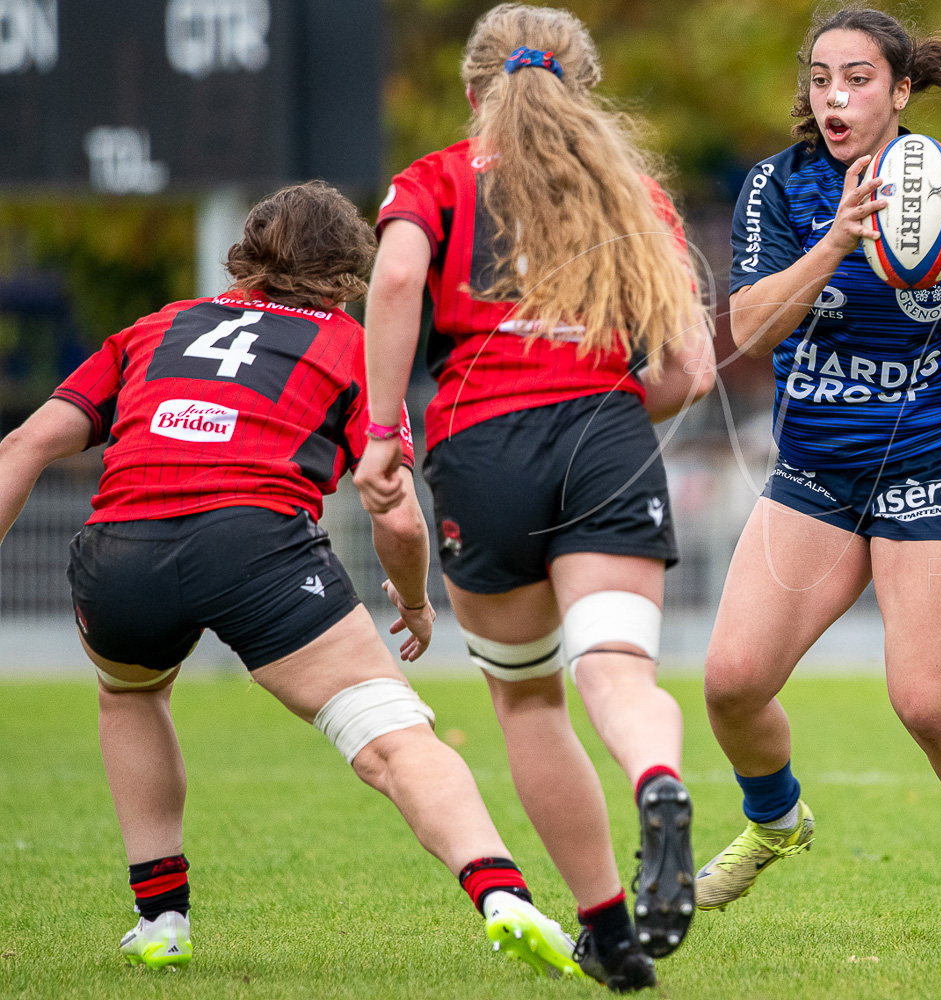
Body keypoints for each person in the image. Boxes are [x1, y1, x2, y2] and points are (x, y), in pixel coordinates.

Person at [0, 183, 581, 977]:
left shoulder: (155, 327)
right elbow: (397, 512)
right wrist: (412, 602)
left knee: (131, 694)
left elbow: (25, 445)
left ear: (246, 253)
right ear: (347, 270)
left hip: (119, 550)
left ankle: (162, 917)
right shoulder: (351, 346)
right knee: (392, 737)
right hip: (254, 547)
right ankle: (502, 894)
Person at [358, 3, 716, 991]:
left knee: (524, 697)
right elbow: (688, 369)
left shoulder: (433, 179)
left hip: (480, 444)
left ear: (476, 96)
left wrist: (380, 431)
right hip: (604, 431)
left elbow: (393, 285)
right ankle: (658, 780)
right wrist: (607, 411)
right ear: (584, 89)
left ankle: (607, 928)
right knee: (616, 667)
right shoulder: (629, 190)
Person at [699, 0, 941, 944]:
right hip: (815, 468)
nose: (835, 96)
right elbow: (748, 327)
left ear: (899, 91)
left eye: (856, 79)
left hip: (932, 460)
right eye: (820, 79)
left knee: (925, 701)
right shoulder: (780, 186)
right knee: (731, 681)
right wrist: (840, 237)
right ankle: (776, 822)